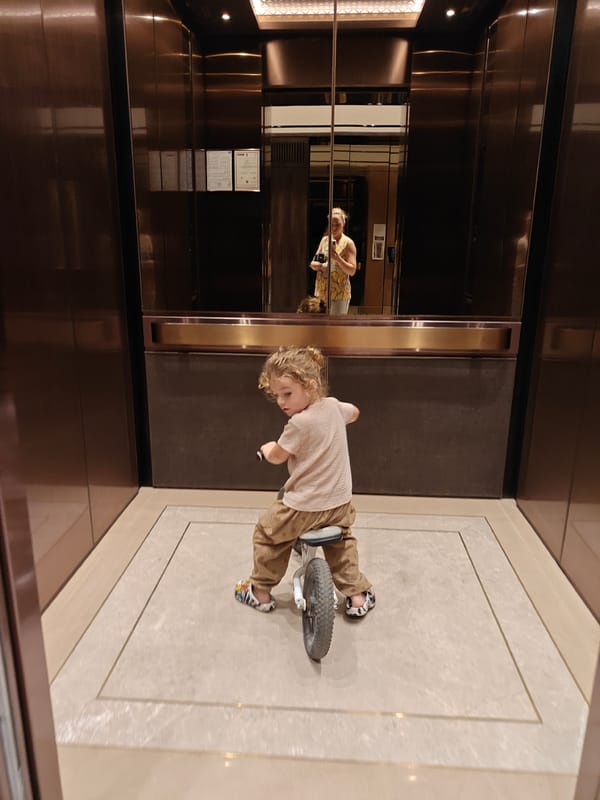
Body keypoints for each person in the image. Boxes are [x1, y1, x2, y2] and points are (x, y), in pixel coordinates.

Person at [234, 345, 375, 617]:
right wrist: (336, 421)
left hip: (304, 507)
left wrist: (267, 448)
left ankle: (260, 592)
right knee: (341, 542)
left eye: (287, 393)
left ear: (310, 386)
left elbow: (277, 456)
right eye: (276, 395)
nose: (281, 402)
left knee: (268, 534)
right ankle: (357, 597)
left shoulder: (298, 424)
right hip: (340, 503)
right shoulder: (333, 406)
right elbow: (354, 412)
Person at [309, 207, 357, 315]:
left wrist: (338, 259)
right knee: (320, 325)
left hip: (340, 294)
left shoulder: (348, 243)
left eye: (337, 224)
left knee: (336, 327)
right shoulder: (325, 240)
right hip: (322, 291)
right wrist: (316, 265)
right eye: (332, 225)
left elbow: (352, 271)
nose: (334, 228)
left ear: (344, 222)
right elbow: (315, 261)